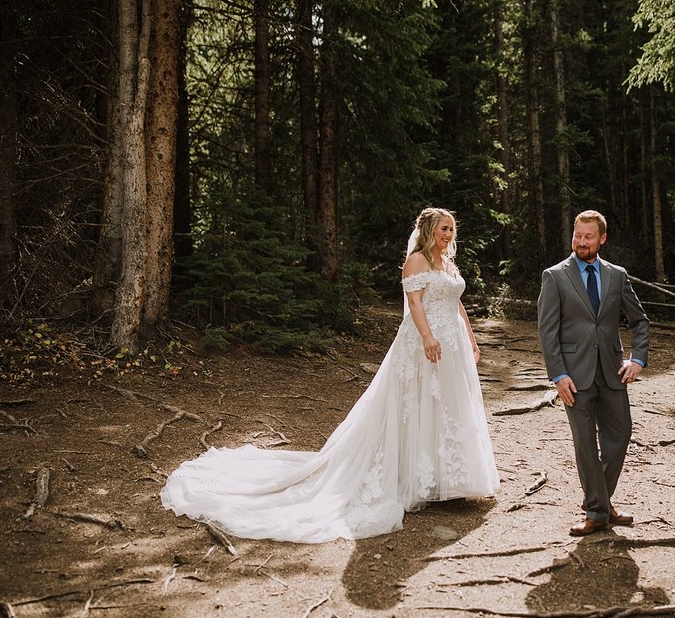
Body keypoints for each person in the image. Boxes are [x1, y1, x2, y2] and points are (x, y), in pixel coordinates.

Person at [160, 208, 498, 543]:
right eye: (443, 228)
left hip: (453, 347)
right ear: (428, 230)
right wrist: (427, 337)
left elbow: (456, 302)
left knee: (450, 408)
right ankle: (418, 480)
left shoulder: (448, 264)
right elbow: (415, 304)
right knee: (420, 405)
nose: (449, 234)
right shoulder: (417, 261)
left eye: (452, 229)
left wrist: (470, 339)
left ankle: (451, 480)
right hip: (425, 344)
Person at [537, 210, 650, 536]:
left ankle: (599, 501)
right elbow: (548, 330)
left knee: (620, 435)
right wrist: (558, 374)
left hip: (614, 373)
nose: (581, 242)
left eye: (588, 237)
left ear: (602, 238)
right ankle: (598, 511)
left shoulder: (617, 275)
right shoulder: (555, 276)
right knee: (585, 444)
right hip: (574, 375)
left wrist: (637, 359)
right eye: (577, 235)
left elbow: (639, 321)